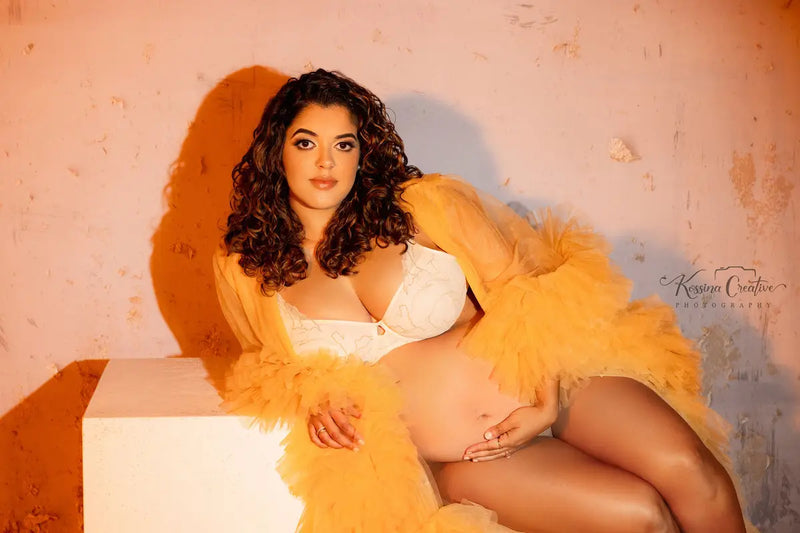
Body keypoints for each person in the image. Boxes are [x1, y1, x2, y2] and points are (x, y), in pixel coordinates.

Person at [213, 69, 750, 532]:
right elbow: (269, 365)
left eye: (344, 144)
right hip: (471, 458)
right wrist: (316, 396)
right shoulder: (244, 266)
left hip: (554, 386)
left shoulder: (423, 208)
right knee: (642, 516)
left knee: (693, 473)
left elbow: (524, 290)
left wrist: (543, 405)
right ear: (277, 150)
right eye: (307, 142)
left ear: (363, 153)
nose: (326, 162)